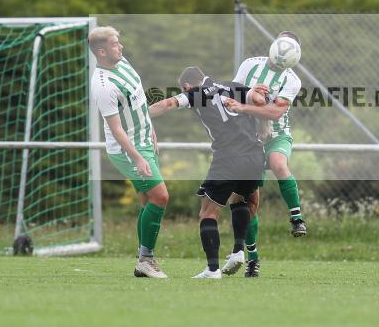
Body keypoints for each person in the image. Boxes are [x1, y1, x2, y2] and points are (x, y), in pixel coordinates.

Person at [150, 67, 268, 279]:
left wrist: (140, 115)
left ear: (187, 86)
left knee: (207, 212)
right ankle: (238, 251)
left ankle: (212, 269)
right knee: (240, 199)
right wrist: (264, 126)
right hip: (255, 154)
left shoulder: (196, 93)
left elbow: (168, 104)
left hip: (229, 156)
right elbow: (260, 99)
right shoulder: (233, 86)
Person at [89, 26, 169, 279]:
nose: (120, 47)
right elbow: (116, 129)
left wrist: (151, 130)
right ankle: (146, 259)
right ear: (102, 52)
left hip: (145, 141)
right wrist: (137, 157)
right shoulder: (102, 85)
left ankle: (143, 260)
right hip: (128, 150)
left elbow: (139, 101)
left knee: (148, 203)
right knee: (160, 197)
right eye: (114, 44)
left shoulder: (123, 63)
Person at [232, 31, 305, 278]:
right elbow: (231, 94)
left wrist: (246, 105)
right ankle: (252, 258)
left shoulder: (292, 80)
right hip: (248, 139)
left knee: (278, 162)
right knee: (247, 201)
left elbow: (275, 113)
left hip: (277, 135)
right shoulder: (250, 64)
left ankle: (296, 218)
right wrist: (251, 93)